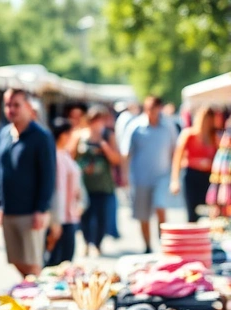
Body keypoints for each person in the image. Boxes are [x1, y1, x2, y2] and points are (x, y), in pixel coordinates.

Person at [0, 88, 56, 277]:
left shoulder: (41, 137)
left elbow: (48, 175)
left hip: (31, 213)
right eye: (8, 105)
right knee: (16, 260)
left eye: (16, 105)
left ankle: (36, 303)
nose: (11, 109)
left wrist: (41, 209)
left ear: (28, 107)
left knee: (32, 265)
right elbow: (0, 171)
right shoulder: (4, 134)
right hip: (9, 211)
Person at [121, 95, 179, 253]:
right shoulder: (135, 126)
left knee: (161, 206)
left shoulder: (168, 126)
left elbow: (175, 152)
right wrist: (124, 176)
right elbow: (126, 153)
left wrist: (175, 178)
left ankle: (163, 242)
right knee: (143, 215)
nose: (151, 112)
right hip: (140, 178)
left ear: (159, 108)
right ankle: (147, 246)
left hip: (162, 176)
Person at [74, 106, 120, 256]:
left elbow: (116, 159)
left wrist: (104, 146)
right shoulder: (80, 135)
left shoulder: (108, 136)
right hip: (84, 184)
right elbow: (71, 156)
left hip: (103, 184)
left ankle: (98, 244)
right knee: (85, 216)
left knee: (101, 216)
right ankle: (87, 242)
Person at [171, 106, 218, 223]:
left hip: (208, 177)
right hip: (191, 175)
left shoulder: (214, 137)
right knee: (192, 213)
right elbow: (177, 158)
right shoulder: (188, 134)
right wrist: (174, 180)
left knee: (207, 211)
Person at [46, 119, 83, 266]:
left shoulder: (65, 154)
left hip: (69, 215)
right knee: (59, 262)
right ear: (63, 135)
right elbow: (58, 189)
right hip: (62, 218)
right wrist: (57, 221)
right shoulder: (56, 156)